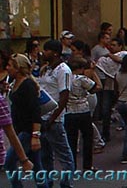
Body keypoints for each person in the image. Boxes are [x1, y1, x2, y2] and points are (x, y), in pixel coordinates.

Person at [39, 39, 75, 188]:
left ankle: (66, 183)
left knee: (64, 155)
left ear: (54, 53)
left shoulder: (63, 70)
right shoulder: (47, 69)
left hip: (54, 119)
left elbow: (64, 96)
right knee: (46, 155)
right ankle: (48, 182)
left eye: (46, 50)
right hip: (43, 117)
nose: (43, 53)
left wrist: (53, 118)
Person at [5, 54, 44, 188]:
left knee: (9, 162)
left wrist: (35, 136)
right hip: (20, 129)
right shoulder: (13, 82)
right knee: (36, 167)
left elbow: (35, 111)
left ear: (18, 68)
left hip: (27, 131)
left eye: (10, 65)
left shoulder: (27, 85)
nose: (7, 68)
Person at [65, 57, 99, 171]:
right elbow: (96, 88)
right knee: (87, 138)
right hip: (83, 110)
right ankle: (87, 166)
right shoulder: (82, 79)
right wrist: (94, 73)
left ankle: (71, 165)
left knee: (71, 140)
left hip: (69, 111)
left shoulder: (65, 78)